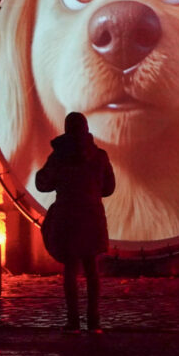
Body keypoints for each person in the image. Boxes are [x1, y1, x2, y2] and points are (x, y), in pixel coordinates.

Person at [35, 112, 115, 333]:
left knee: (71, 269)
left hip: (68, 216)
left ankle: (73, 321)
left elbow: (43, 183)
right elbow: (109, 188)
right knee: (92, 270)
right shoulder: (100, 156)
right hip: (92, 217)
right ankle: (94, 321)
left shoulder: (59, 157)